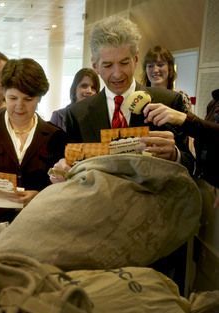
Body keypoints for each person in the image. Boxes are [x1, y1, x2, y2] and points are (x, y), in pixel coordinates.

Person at [51, 16, 193, 295]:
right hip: (99, 234)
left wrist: (175, 154)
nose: (117, 74)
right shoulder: (78, 115)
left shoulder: (167, 103)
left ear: (136, 59)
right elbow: (70, 169)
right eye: (107, 65)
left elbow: (192, 167)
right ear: (94, 65)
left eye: (124, 63)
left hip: (157, 233)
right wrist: (60, 172)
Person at [0, 58, 67, 228]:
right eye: (13, 98)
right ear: (4, 94)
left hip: (36, 228)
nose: (19, 106)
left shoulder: (55, 136)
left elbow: (64, 190)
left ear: (39, 98)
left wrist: (38, 196)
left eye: (28, 99)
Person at [143, 88, 219, 188]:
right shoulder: (214, 102)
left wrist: (185, 119)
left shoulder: (176, 98)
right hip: (206, 183)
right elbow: (206, 140)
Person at [142, 45, 192, 110]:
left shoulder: (181, 97)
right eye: (150, 66)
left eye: (160, 65)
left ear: (170, 68)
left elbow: (187, 119)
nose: (155, 70)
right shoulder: (139, 97)